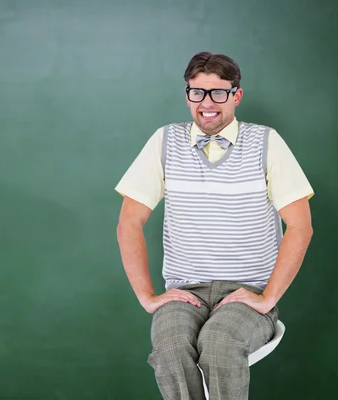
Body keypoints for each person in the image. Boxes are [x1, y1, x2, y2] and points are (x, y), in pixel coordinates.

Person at [114, 51, 314, 400]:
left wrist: (267, 298)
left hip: (246, 292)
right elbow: (129, 221)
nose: (208, 103)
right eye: (198, 92)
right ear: (187, 95)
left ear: (236, 96)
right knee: (170, 349)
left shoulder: (266, 143)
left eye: (218, 93)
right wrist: (147, 296)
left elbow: (301, 226)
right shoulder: (165, 141)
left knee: (218, 343)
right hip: (184, 291)